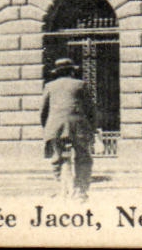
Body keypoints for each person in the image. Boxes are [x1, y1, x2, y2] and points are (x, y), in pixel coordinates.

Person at [39, 57, 96, 200]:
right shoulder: (80, 84)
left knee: (57, 158)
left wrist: (48, 129)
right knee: (83, 158)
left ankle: (62, 189)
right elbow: (90, 110)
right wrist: (92, 128)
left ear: (57, 73)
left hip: (56, 127)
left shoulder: (49, 86)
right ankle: (80, 191)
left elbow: (43, 112)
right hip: (77, 126)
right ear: (72, 72)